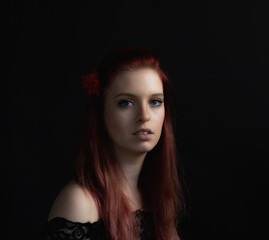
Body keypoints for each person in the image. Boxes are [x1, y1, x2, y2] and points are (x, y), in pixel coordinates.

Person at [44, 46, 184, 240]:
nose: (144, 116)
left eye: (155, 102)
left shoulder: (155, 196)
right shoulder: (80, 203)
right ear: (100, 114)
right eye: (126, 102)